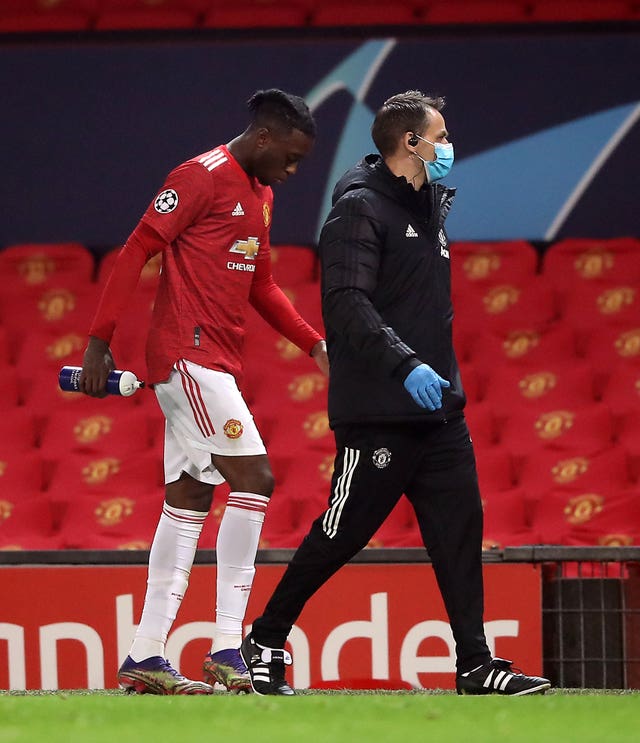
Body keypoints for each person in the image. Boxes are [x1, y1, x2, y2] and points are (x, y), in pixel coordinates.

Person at [241, 90, 551, 696]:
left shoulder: (430, 202)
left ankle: (474, 663)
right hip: (379, 409)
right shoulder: (358, 210)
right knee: (342, 532)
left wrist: (435, 376)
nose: (448, 147)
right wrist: (405, 365)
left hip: (438, 412)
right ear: (411, 143)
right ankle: (266, 638)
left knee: (460, 528)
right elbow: (345, 305)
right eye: (440, 136)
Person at [81, 89, 329, 695]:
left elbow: (263, 283)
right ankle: (226, 646)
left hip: (218, 358)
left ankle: (145, 653)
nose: (293, 172)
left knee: (189, 495)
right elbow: (138, 247)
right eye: (291, 158)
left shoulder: (261, 195)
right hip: (186, 355)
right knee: (256, 479)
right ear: (265, 137)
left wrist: (313, 343)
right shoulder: (199, 175)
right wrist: (98, 342)